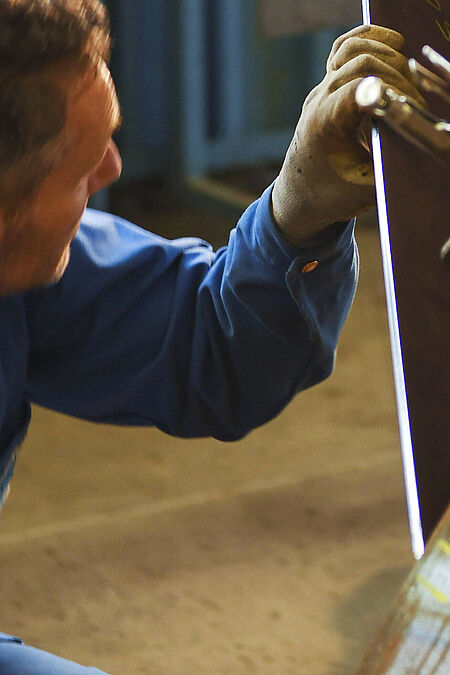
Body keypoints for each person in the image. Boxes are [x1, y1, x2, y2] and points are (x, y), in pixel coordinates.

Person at [0, 1, 419, 671]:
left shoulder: (27, 272)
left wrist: (300, 210)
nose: (111, 170)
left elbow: (209, 346)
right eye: (77, 171)